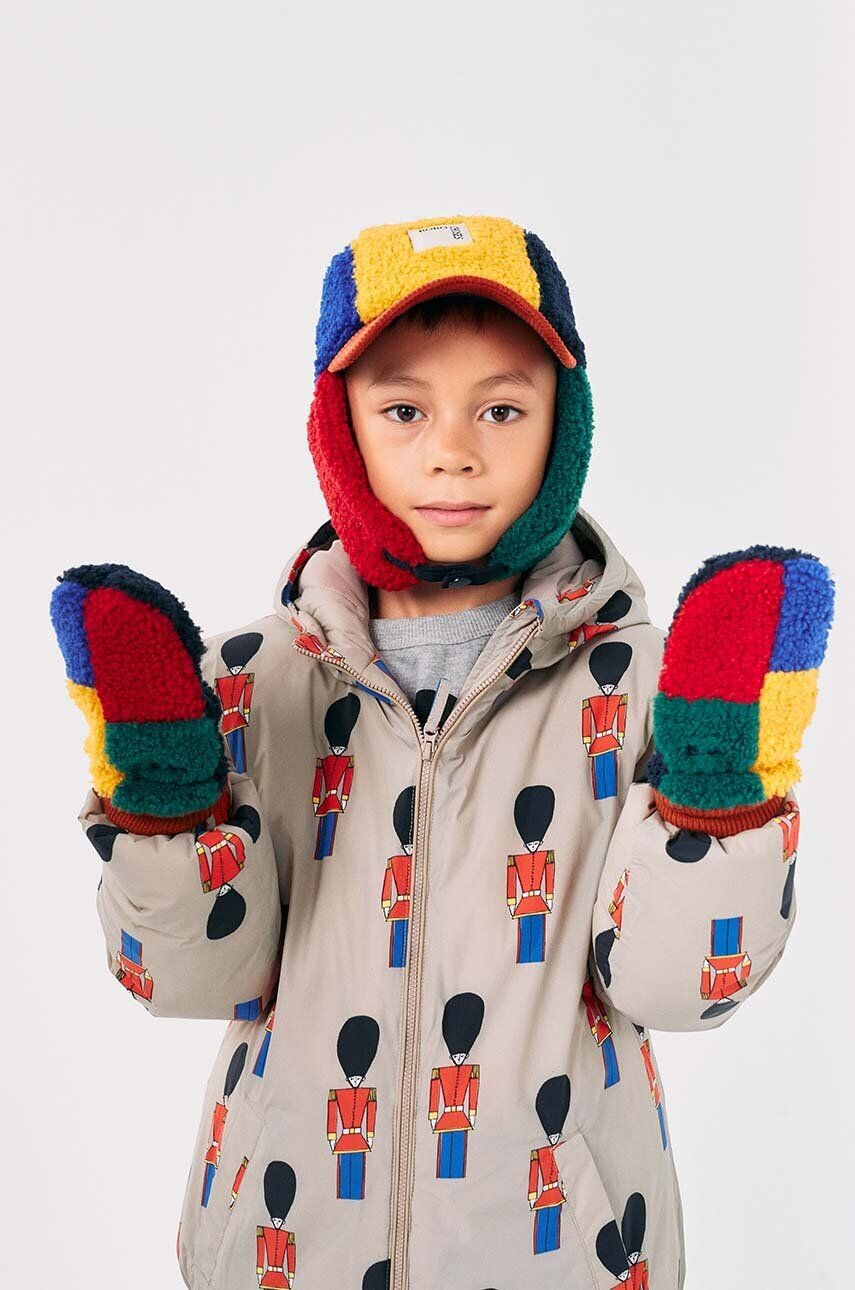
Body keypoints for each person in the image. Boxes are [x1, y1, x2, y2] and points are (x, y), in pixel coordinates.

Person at [50, 214, 834, 1289]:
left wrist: (718, 794)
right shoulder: (240, 683)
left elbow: (675, 987)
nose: (453, 450)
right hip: (284, 1251)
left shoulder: (646, 686)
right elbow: (189, 978)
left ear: (564, 424)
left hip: (563, 1257)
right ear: (340, 428)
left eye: (501, 408)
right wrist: (167, 807)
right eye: (404, 409)